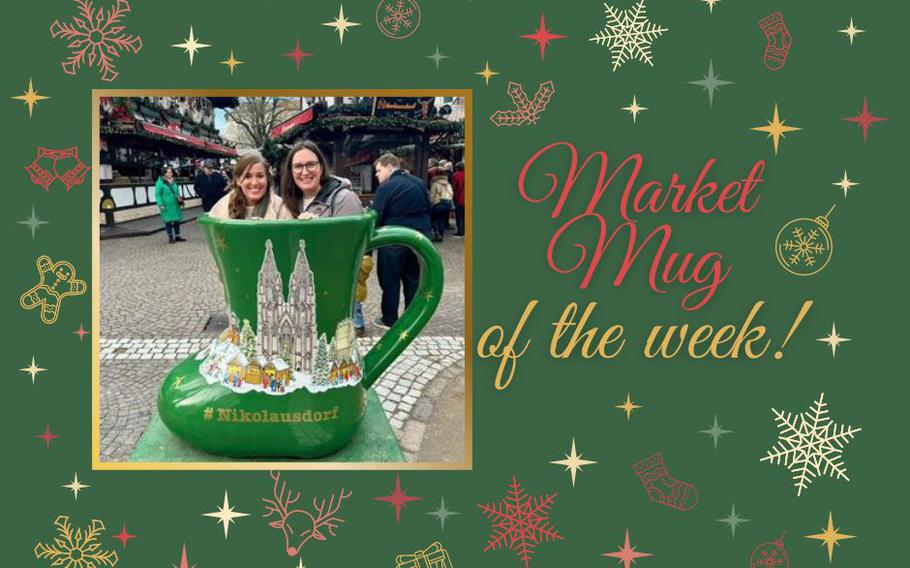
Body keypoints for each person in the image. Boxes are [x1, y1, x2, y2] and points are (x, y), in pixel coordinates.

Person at [278, 140, 370, 334]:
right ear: (291, 171)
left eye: (311, 164)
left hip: (332, 293)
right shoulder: (290, 201)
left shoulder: (343, 198)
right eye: (298, 166)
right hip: (300, 291)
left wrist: (317, 232)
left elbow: (349, 251)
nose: (305, 172)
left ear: (321, 166)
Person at [372, 152, 432, 328]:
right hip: (418, 240)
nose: (377, 175)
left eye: (378, 170)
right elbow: (428, 208)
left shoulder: (386, 187)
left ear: (390, 166)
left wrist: (369, 246)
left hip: (393, 241)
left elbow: (377, 216)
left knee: (390, 280)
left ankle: (389, 319)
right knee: (413, 278)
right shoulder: (419, 183)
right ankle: (412, 317)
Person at [209, 154, 284, 219]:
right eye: (247, 176)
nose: (254, 182)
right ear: (238, 180)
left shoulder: (280, 207)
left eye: (260, 176)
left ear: (267, 179)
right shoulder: (222, 207)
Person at [155, 166, 185, 243]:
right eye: (169, 172)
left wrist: (180, 200)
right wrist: (160, 204)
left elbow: (177, 193)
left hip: (175, 204)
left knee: (176, 220)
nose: (171, 173)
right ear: (164, 173)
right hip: (166, 205)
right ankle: (170, 237)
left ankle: (177, 236)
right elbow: (158, 195)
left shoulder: (173, 181)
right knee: (168, 221)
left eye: (171, 172)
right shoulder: (160, 183)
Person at [428, 164, 454, 242]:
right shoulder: (448, 183)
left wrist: (432, 202)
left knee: (434, 219)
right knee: (442, 219)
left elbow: (432, 194)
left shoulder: (435, 183)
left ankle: (437, 233)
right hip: (447, 203)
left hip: (438, 202)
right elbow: (451, 193)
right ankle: (441, 235)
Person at [452, 161, 465, 237]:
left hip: (460, 198)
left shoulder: (456, 175)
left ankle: (460, 231)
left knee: (459, 216)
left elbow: (454, 187)